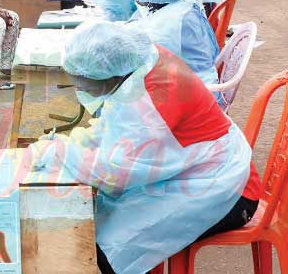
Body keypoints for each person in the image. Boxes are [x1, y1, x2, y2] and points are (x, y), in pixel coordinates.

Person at [30, 21, 260, 274]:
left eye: (84, 85)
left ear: (111, 76)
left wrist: (62, 154)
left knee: (107, 248)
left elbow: (116, 173)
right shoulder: (141, 60)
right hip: (198, 166)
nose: (79, 91)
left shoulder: (148, 104)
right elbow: (113, 123)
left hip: (225, 189)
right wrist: (78, 142)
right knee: (94, 222)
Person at [124, 0, 220, 89]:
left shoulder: (167, 25)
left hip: (194, 91)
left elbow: (145, 59)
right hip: (201, 76)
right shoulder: (183, 2)